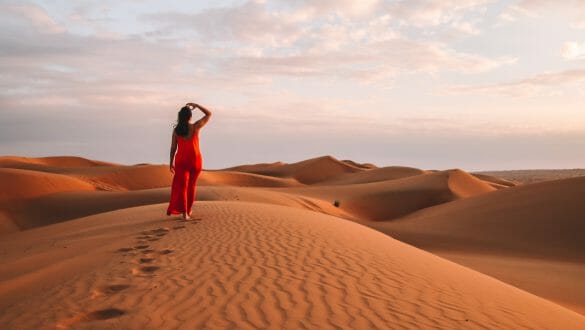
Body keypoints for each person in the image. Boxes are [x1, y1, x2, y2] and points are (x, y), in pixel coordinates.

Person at [167, 102, 212, 220]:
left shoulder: (176, 131)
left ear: (180, 117)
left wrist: (170, 162)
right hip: (195, 160)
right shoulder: (196, 126)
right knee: (191, 186)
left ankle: (185, 214)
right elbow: (209, 114)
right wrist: (196, 105)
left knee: (183, 187)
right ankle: (188, 210)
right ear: (190, 116)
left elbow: (173, 148)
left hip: (181, 161)